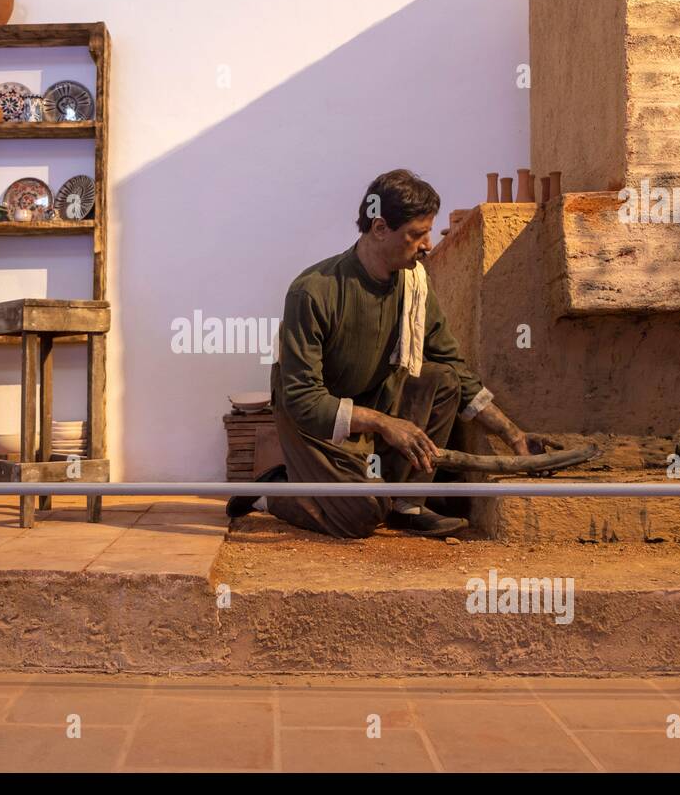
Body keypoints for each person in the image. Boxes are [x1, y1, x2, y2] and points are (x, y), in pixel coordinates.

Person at [228, 169, 548, 538]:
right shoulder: (312, 291)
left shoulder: (412, 285)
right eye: (416, 234)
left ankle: (406, 504)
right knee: (359, 517)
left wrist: (514, 435)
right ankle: (274, 492)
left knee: (442, 380)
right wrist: (383, 423)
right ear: (380, 228)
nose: (427, 244)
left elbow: (451, 366)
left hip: (375, 404)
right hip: (317, 425)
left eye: (428, 232)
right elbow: (302, 399)